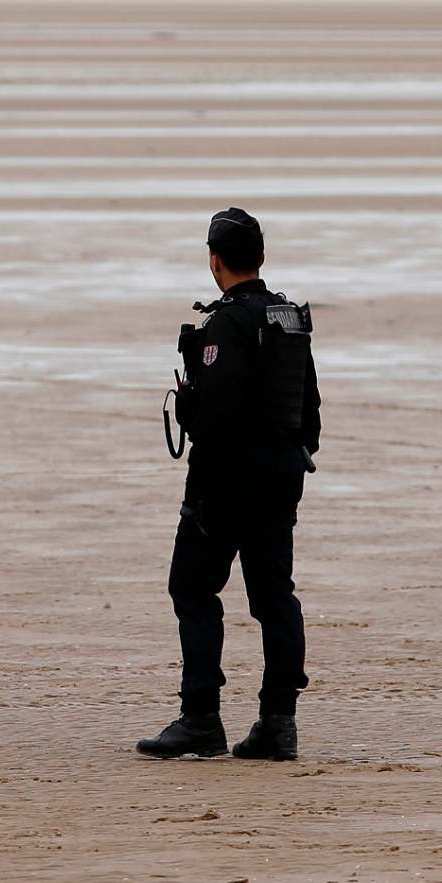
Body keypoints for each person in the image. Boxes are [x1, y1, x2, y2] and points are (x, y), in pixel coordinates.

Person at [137, 208, 321, 762]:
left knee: (191, 590)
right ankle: (278, 723)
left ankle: (200, 719)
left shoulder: (224, 325)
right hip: (281, 477)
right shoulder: (290, 319)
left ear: (214, 261)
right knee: (273, 597)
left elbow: (216, 422)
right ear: (260, 257)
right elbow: (309, 410)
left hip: (227, 482)